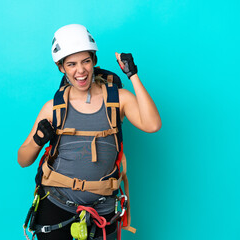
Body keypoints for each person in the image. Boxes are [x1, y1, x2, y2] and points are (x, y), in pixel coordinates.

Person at [18, 24, 161, 240]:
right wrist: (38, 140)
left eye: (85, 61)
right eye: (71, 64)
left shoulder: (118, 98)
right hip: (57, 201)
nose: (80, 70)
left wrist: (133, 76)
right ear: (61, 68)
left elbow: (152, 125)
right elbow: (23, 159)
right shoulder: (53, 107)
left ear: (94, 60)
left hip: (102, 206)